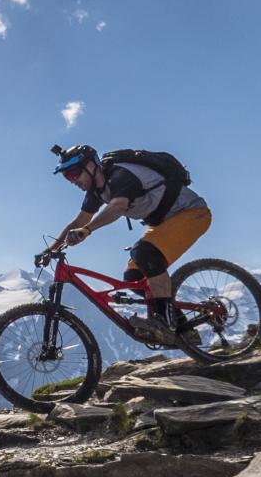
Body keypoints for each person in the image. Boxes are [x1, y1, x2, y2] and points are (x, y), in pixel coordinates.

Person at [50, 145, 212, 347]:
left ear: (90, 166)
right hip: (164, 223)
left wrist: (88, 230)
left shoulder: (121, 175)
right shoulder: (96, 191)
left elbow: (117, 206)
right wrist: (50, 250)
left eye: (73, 173)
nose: (73, 181)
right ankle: (184, 331)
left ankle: (163, 324)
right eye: (67, 177)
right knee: (135, 278)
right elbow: (79, 220)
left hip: (191, 213)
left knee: (145, 253)